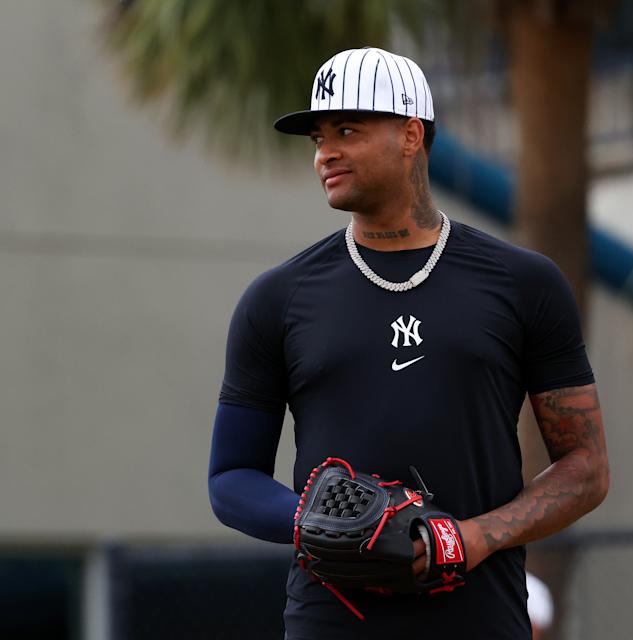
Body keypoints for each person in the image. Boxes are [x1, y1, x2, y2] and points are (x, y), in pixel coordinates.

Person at [207, 47, 609, 639]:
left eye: (347, 130)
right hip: (332, 621)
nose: (324, 153)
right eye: (318, 137)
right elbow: (230, 477)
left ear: (410, 134)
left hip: (482, 618)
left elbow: (587, 468)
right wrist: (332, 521)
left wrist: (471, 537)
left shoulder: (523, 283)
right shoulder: (277, 299)